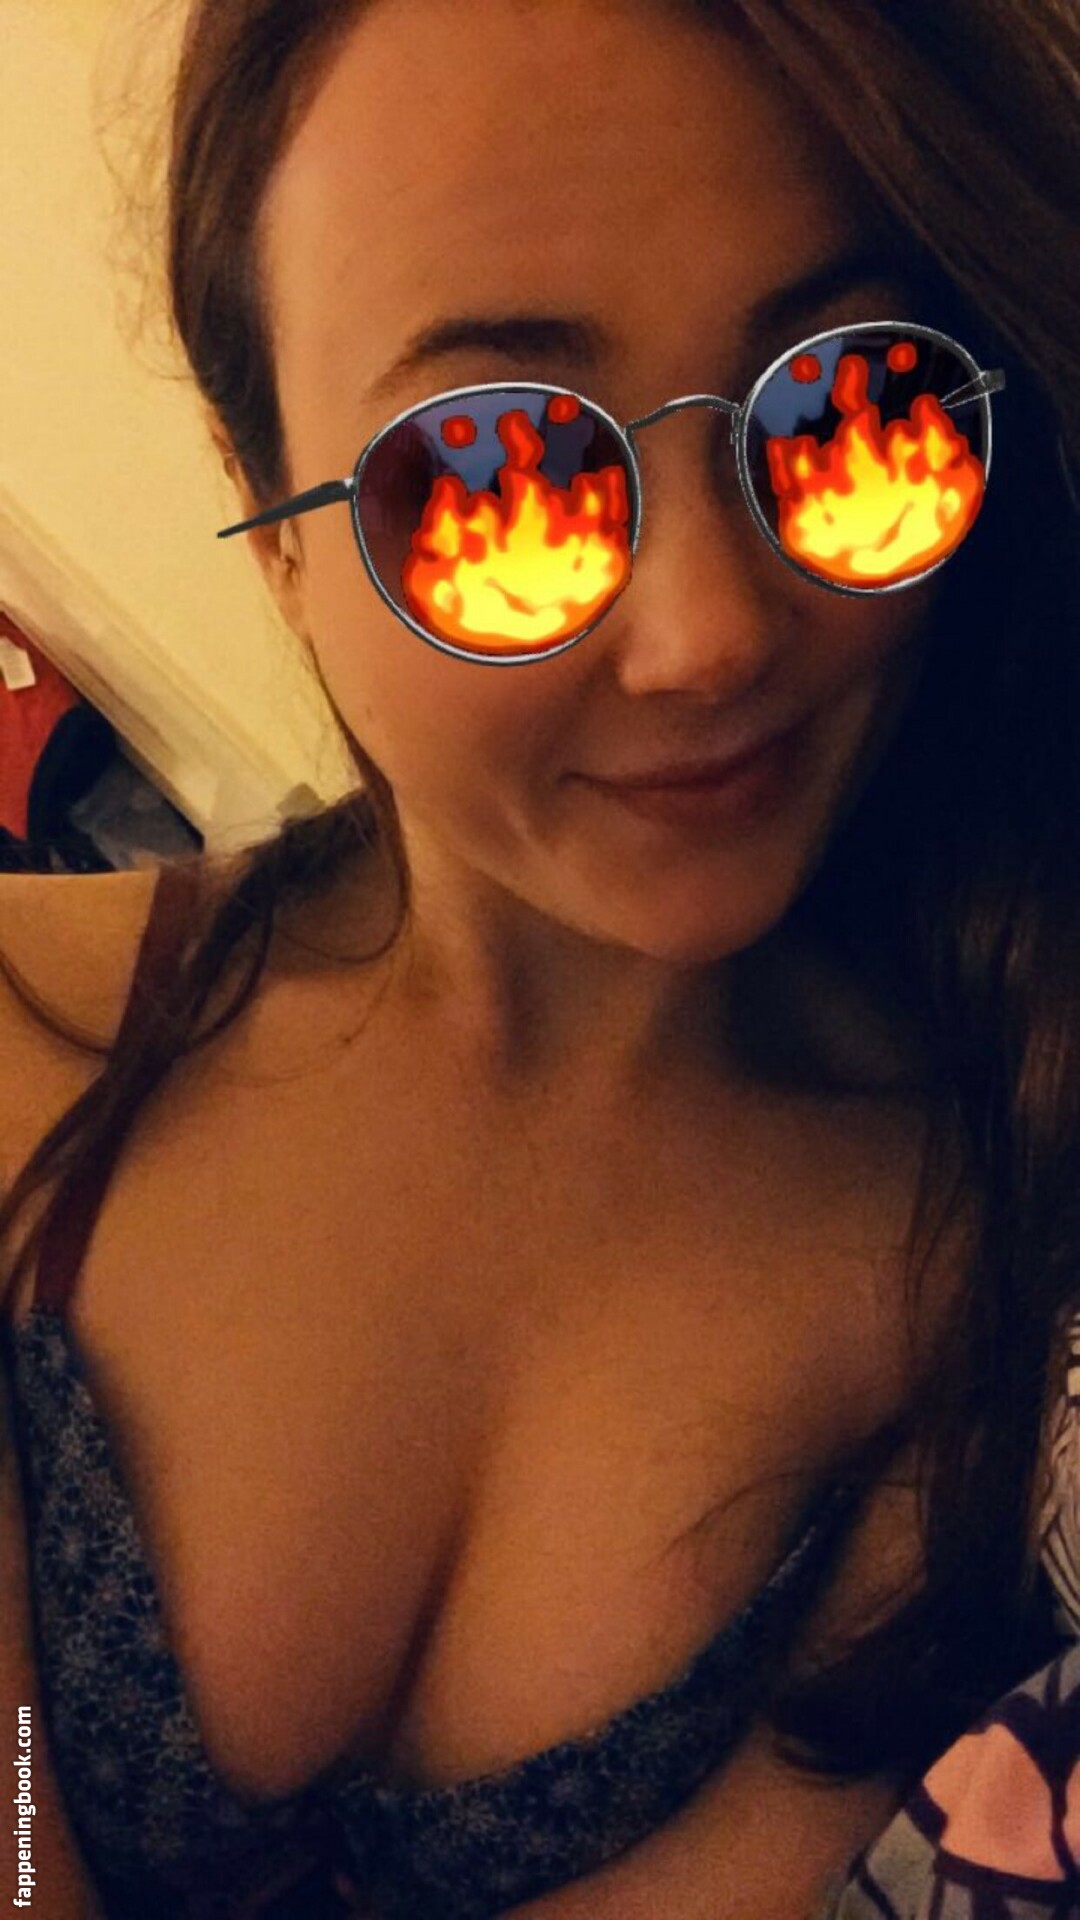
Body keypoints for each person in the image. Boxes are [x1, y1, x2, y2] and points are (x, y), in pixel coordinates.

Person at [0, 0, 1077, 1913]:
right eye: (490, 477)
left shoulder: (994, 1239)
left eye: (851, 412)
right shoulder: (24, 1038)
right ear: (274, 530)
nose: (711, 632)